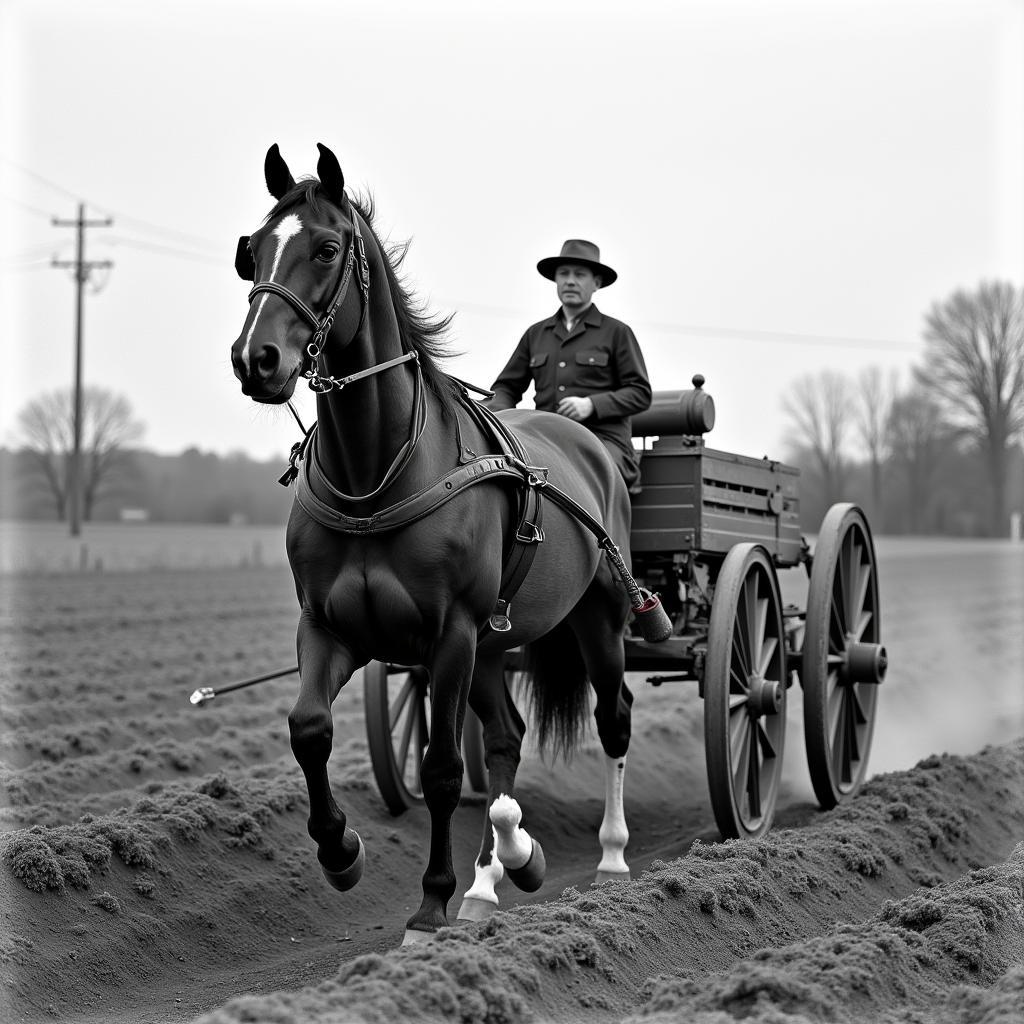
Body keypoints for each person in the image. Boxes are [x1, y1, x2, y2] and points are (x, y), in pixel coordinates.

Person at [487, 239, 652, 491]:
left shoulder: (616, 332)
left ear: (596, 283)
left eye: (579, 275)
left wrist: (591, 405)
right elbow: (507, 387)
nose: (570, 281)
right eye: (563, 274)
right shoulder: (536, 334)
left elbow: (640, 393)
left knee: (587, 481)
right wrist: (499, 418)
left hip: (602, 441)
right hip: (544, 438)